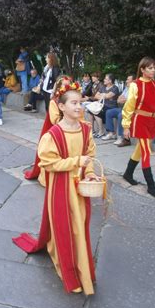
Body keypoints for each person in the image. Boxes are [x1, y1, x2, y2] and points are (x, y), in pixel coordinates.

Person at [13, 87, 100, 295]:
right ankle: (68, 271)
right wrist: (76, 162)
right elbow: (49, 163)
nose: (79, 106)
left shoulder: (86, 129)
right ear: (61, 106)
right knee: (64, 228)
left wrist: (89, 172)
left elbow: (89, 154)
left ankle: (83, 269)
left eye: (80, 103)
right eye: (74, 103)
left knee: (80, 227)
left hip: (80, 188)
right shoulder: (53, 134)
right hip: (61, 188)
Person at [122, 57, 155, 198]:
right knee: (146, 152)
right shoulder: (135, 85)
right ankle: (151, 187)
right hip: (140, 121)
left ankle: (128, 174)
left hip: (151, 121)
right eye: (149, 68)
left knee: (140, 150)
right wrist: (126, 126)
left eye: (154, 67)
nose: (153, 70)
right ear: (142, 69)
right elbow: (129, 106)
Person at [24, 76, 75, 180]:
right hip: (58, 134)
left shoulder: (74, 101)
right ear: (59, 87)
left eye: (69, 85)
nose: (67, 87)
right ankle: (53, 179)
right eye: (65, 85)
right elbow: (55, 120)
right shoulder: (54, 102)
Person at [102, 75, 134, 146]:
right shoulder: (126, 88)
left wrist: (125, 100)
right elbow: (118, 100)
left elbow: (131, 101)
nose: (126, 81)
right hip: (123, 108)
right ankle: (111, 133)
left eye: (128, 79)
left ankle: (120, 137)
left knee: (121, 115)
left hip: (130, 110)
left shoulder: (134, 89)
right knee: (109, 112)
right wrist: (123, 99)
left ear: (133, 81)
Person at [86, 73, 120, 138]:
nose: (104, 80)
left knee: (95, 111)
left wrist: (103, 95)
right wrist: (103, 95)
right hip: (103, 105)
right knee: (90, 111)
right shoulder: (103, 87)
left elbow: (107, 96)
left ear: (110, 81)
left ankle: (101, 131)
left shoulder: (115, 88)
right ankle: (92, 131)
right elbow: (96, 96)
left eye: (105, 79)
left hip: (111, 107)